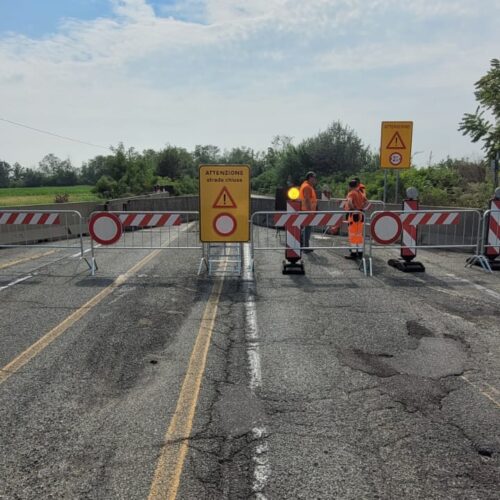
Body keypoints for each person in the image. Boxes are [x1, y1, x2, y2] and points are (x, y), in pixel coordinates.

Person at [344, 179, 367, 259]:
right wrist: (361, 208)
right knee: (359, 234)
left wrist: (353, 209)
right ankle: (360, 253)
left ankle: (353, 253)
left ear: (350, 186)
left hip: (354, 216)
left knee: (353, 234)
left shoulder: (351, 193)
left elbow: (349, 202)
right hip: (361, 215)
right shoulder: (360, 193)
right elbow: (366, 201)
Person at [298, 171, 318, 253]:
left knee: (305, 229)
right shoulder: (307, 187)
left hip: (306, 210)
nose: (315, 179)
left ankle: (303, 245)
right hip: (307, 211)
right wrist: (310, 211)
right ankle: (305, 247)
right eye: (314, 178)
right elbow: (307, 199)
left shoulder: (307, 186)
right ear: (310, 178)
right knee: (307, 229)